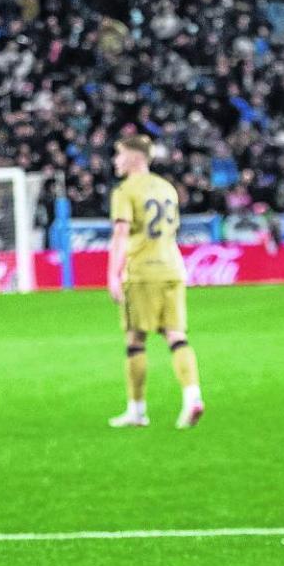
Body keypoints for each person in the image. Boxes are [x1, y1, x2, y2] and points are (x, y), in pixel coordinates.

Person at [106, 134, 204, 429]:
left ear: (135, 157)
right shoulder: (167, 187)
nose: (116, 160)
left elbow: (121, 233)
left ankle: (136, 410)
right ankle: (192, 396)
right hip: (173, 268)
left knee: (135, 340)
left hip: (142, 272)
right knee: (176, 335)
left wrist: (113, 274)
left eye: (120, 154)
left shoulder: (125, 190)